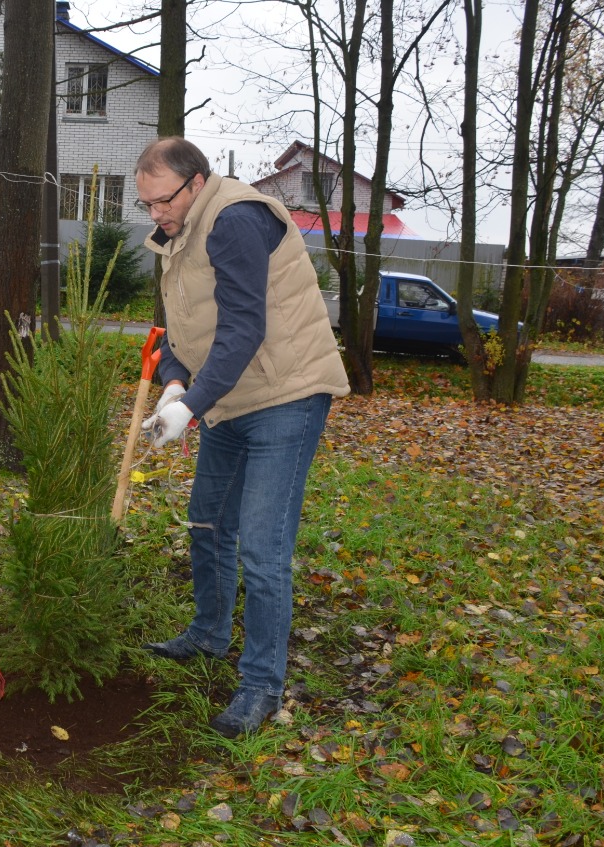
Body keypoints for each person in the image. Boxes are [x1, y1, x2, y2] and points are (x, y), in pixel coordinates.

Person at [134, 137, 350, 738]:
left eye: (162, 201)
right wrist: (176, 386)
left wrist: (192, 406)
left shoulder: (234, 221)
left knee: (261, 546)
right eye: (146, 204)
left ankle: (260, 685)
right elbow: (181, 325)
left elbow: (244, 326)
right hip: (231, 397)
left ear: (196, 182)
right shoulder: (178, 236)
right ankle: (208, 633)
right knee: (207, 520)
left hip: (286, 395)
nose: (155, 214)